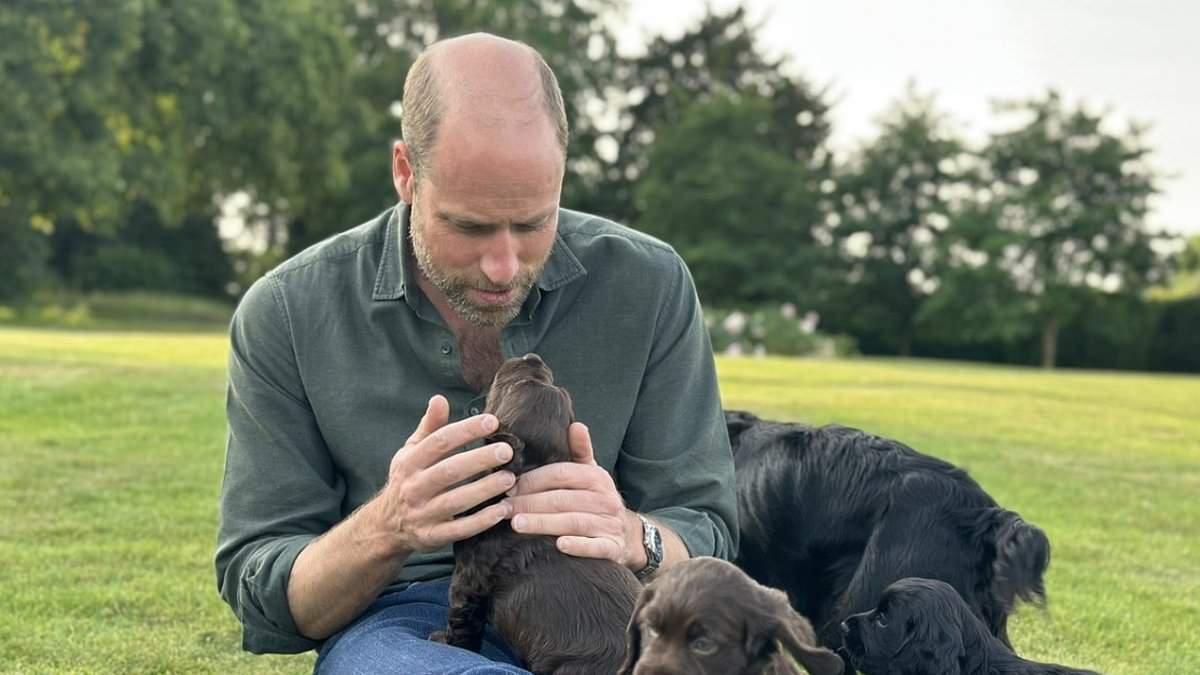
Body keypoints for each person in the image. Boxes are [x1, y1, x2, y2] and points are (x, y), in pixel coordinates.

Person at [215, 32, 737, 674]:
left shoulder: (649, 284)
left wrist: (633, 535)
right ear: (406, 172)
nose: (503, 266)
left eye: (532, 223)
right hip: (411, 625)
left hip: (610, 621)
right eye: (468, 226)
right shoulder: (288, 312)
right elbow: (262, 589)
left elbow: (707, 530)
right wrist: (389, 524)